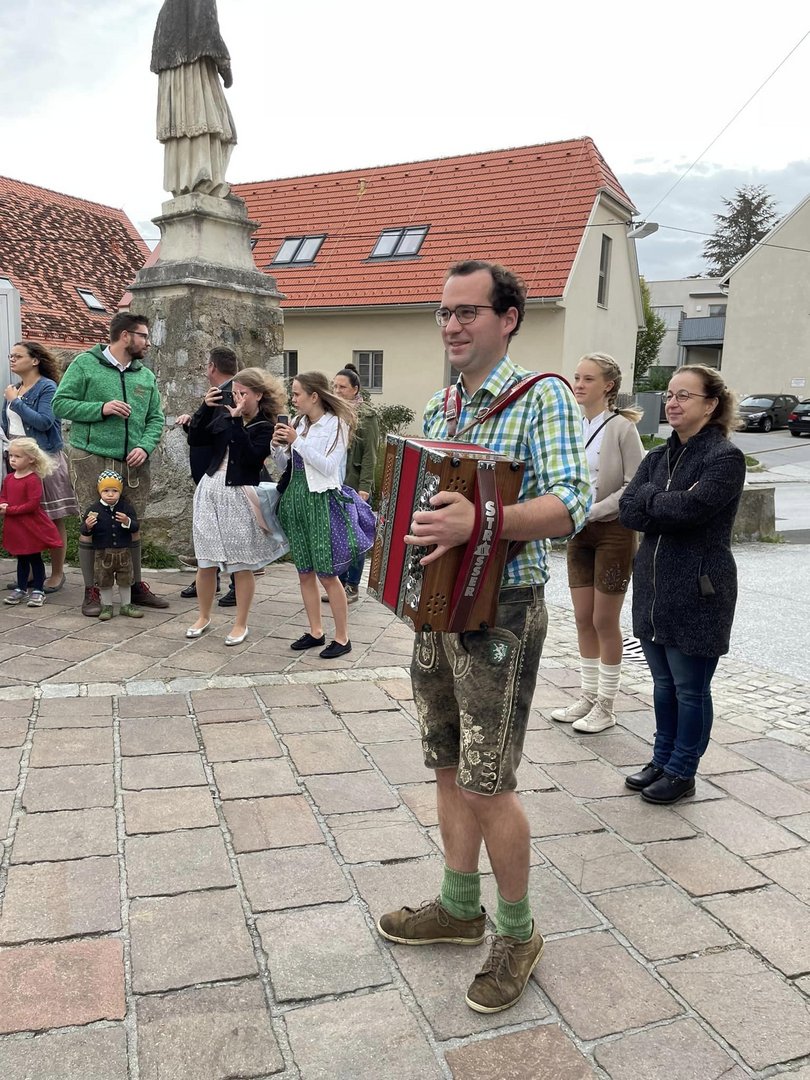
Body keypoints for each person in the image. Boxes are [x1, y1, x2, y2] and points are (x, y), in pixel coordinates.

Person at [376, 261, 591, 1014]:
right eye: (444, 313)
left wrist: (484, 521)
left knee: (486, 780)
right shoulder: (440, 406)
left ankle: (518, 933)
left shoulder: (544, 396)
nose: (452, 325)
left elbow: (573, 503)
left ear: (509, 319)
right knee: (446, 765)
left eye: (468, 311)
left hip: (503, 610)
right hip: (436, 610)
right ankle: (459, 905)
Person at [619, 364, 746, 804]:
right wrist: (662, 502)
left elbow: (693, 510)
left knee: (690, 688)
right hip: (653, 590)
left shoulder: (724, 458)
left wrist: (651, 500)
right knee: (663, 684)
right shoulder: (657, 457)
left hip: (699, 589)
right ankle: (661, 759)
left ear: (710, 405)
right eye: (669, 395)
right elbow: (628, 511)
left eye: (684, 396)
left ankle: (683, 770)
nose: (672, 403)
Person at [550, 353, 645, 733]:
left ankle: (606, 704)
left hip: (613, 531)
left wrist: (593, 510)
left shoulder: (622, 428)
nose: (578, 384)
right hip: (580, 531)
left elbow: (634, 485)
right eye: (576, 377)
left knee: (604, 620)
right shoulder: (574, 426)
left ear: (608, 386)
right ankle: (588, 696)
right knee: (582, 618)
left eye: (587, 379)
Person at [52, 313, 169, 616]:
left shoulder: (145, 375)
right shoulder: (85, 364)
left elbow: (155, 418)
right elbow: (60, 404)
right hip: (90, 457)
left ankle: (135, 586)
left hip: (133, 463)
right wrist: (101, 408)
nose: (148, 343)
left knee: (132, 523)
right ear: (125, 336)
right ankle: (92, 590)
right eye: (144, 336)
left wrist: (144, 446)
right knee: (93, 522)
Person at [273, 372, 376, 660]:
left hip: (321, 502)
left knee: (328, 575)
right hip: (296, 500)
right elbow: (285, 465)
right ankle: (316, 631)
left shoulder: (337, 424)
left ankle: (342, 638)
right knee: (304, 572)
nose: (293, 399)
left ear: (314, 396)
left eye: (297, 394)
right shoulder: (298, 423)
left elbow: (329, 467)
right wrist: (278, 446)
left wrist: (297, 441)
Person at [185, 367, 287, 645]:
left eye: (243, 393)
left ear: (258, 395)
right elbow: (196, 439)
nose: (237, 398)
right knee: (206, 560)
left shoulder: (266, 426)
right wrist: (205, 409)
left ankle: (241, 623)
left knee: (241, 564)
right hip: (209, 489)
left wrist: (235, 421)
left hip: (239, 494)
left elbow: (250, 458)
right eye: (235, 393)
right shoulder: (224, 413)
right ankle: (203, 616)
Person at [2, 341, 79, 592]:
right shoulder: (13, 389)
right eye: (11, 356)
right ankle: (30, 573)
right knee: (24, 517)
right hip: (19, 460)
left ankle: (57, 574)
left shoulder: (47, 387)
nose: (12, 359)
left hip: (44, 460)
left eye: (18, 356)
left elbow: (45, 422)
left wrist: (16, 402)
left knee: (52, 517)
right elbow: (8, 425)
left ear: (35, 360)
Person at [151, 0, 236, 198]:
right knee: (216, 125)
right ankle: (207, 182)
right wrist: (225, 68)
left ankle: (183, 183)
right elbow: (209, 31)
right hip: (196, 69)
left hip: (172, 76)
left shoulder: (166, 8)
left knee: (183, 125)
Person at [176, 346, 239, 605]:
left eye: (206, 365)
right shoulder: (218, 393)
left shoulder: (231, 394)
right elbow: (203, 434)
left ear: (212, 367)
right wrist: (193, 422)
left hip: (223, 475)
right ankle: (209, 578)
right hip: (211, 474)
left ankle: (236, 584)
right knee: (210, 531)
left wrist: (197, 420)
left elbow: (214, 434)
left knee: (228, 531)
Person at [324, 363, 380, 603]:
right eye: (334, 386)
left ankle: (352, 586)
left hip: (354, 483)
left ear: (355, 389)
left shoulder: (367, 415)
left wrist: (365, 487)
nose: (337, 391)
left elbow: (370, 454)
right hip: (333, 482)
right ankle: (338, 584)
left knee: (355, 537)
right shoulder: (330, 412)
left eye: (342, 387)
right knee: (337, 536)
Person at [1, 437, 62, 608]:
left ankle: (38, 590)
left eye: (17, 456)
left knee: (34, 557)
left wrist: (10, 510)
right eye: (10, 456)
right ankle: (21, 588)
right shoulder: (9, 478)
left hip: (30, 526)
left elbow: (32, 504)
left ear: (31, 459)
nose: (12, 459)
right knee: (21, 558)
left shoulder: (33, 479)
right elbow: (4, 495)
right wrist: (3, 503)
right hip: (15, 526)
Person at [80, 471, 143, 621]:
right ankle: (107, 606)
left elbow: (135, 527)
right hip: (103, 554)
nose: (110, 494)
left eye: (114, 491)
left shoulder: (126, 508)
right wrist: (87, 526)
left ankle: (126, 605)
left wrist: (127, 521)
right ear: (99, 491)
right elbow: (84, 531)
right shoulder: (93, 510)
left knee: (126, 579)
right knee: (104, 580)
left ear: (120, 491)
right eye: (106, 491)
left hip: (124, 553)